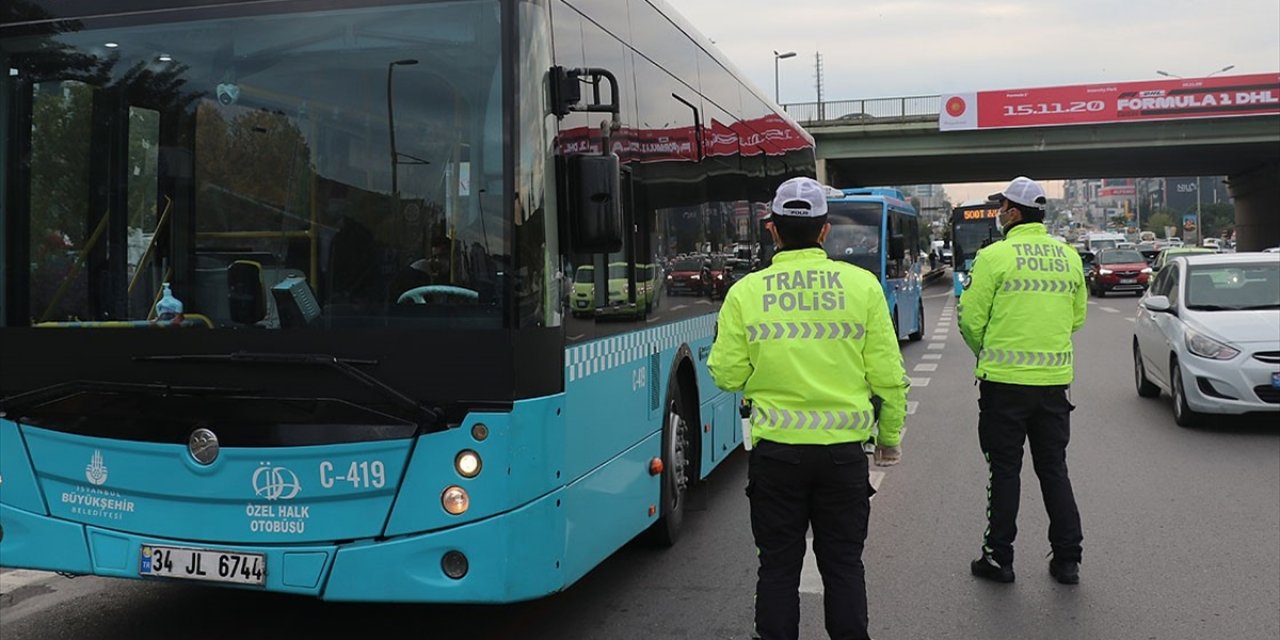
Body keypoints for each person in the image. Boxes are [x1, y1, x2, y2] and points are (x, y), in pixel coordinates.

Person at [708, 176, 909, 640]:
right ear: (825, 231)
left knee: (777, 567)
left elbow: (726, 375)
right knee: (843, 565)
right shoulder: (862, 287)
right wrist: (890, 438)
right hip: (843, 457)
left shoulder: (746, 293)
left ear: (772, 229)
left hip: (777, 456)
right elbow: (888, 377)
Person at [958, 176, 1086, 585]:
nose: (999, 213)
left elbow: (970, 320)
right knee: (1054, 469)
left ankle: (999, 558)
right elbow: (1077, 318)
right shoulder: (1068, 257)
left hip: (1004, 387)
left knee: (1005, 472)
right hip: (1053, 385)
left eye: (1002, 207)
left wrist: (988, 351)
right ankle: (1068, 560)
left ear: (1013, 213)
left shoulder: (995, 257)